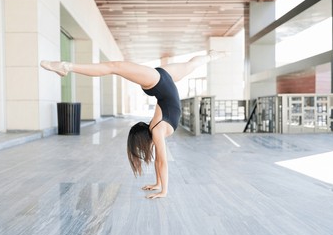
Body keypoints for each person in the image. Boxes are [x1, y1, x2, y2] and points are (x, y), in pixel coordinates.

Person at [40, 50, 223, 199]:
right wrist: (162, 189)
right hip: (162, 80)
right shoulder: (157, 129)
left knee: (117, 67)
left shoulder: (158, 128)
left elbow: (160, 161)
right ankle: (211, 56)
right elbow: (162, 162)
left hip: (161, 82)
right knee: (117, 66)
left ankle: (67, 66)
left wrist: (160, 186)